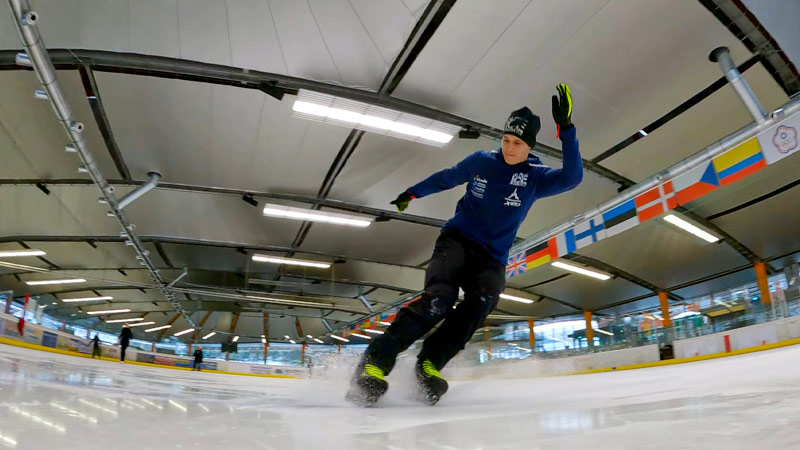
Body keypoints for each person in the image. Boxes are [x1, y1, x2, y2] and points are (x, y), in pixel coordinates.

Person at [347, 84, 583, 405]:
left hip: (491, 257)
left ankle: (430, 363)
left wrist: (566, 129)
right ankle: (374, 363)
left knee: (483, 299)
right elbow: (446, 177)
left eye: (518, 143)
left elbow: (572, 177)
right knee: (438, 300)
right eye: (506, 140)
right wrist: (412, 192)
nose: (510, 148)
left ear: (529, 146)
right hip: (456, 240)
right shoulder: (482, 162)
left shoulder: (535, 177)